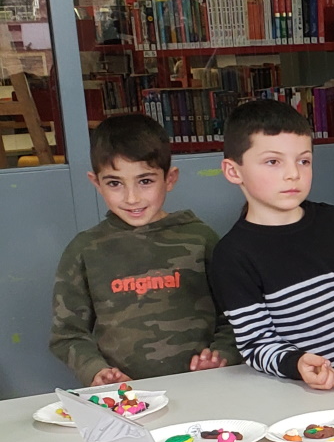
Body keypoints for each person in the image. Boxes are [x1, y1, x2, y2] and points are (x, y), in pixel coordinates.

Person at [211, 100, 334, 389]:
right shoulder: (232, 257)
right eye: (273, 161)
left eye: (303, 160)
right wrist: (297, 364)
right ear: (233, 171)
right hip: (327, 399)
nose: (293, 173)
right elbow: (256, 343)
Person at [50, 114, 238, 385]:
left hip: (204, 390)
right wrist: (94, 370)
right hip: (126, 399)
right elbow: (66, 334)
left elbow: (235, 316)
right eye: (114, 183)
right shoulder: (84, 250)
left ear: (169, 178)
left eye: (145, 181)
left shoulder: (200, 239)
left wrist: (222, 356)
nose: (131, 198)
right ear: (96, 183)